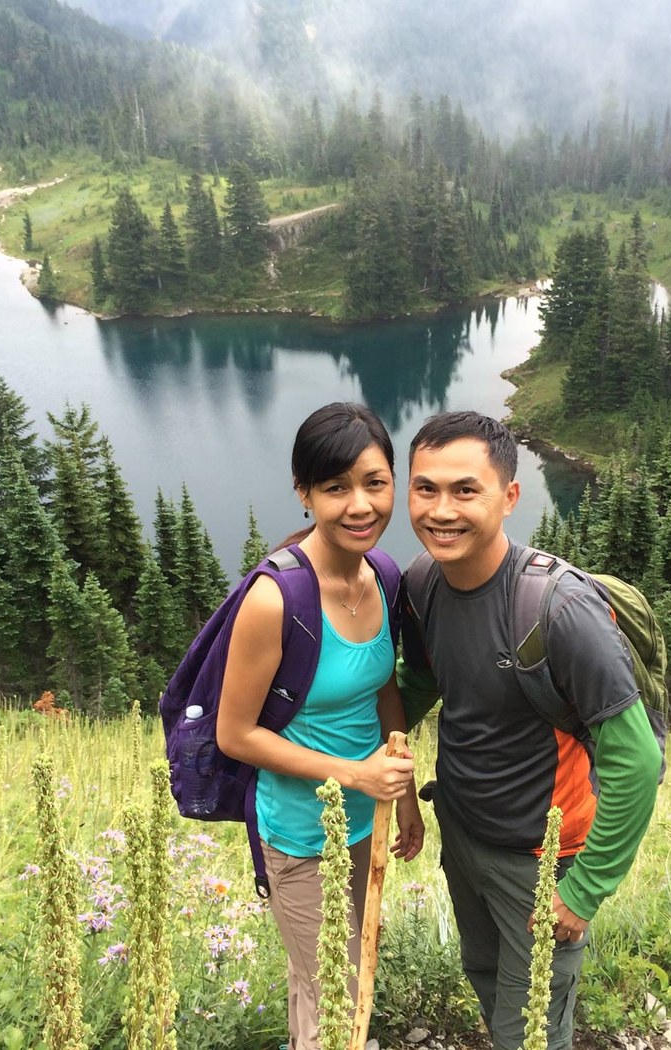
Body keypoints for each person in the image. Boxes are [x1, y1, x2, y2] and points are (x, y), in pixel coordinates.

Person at [400, 410, 663, 1050]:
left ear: (510, 496)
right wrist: (351, 755)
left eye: (466, 490)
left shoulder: (559, 611)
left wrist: (584, 890)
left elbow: (637, 761)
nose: (441, 510)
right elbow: (423, 682)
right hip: (464, 834)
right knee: (489, 981)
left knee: (533, 1031)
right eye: (426, 489)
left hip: (543, 862)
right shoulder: (423, 583)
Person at [216, 402, 424, 1050]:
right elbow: (235, 735)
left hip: (365, 823)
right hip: (300, 835)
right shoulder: (275, 599)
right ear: (304, 492)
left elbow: (383, 687)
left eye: (375, 483)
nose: (360, 505)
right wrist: (356, 774)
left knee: (329, 975)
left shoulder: (383, 576)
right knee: (339, 994)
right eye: (336, 487)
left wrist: (404, 796)